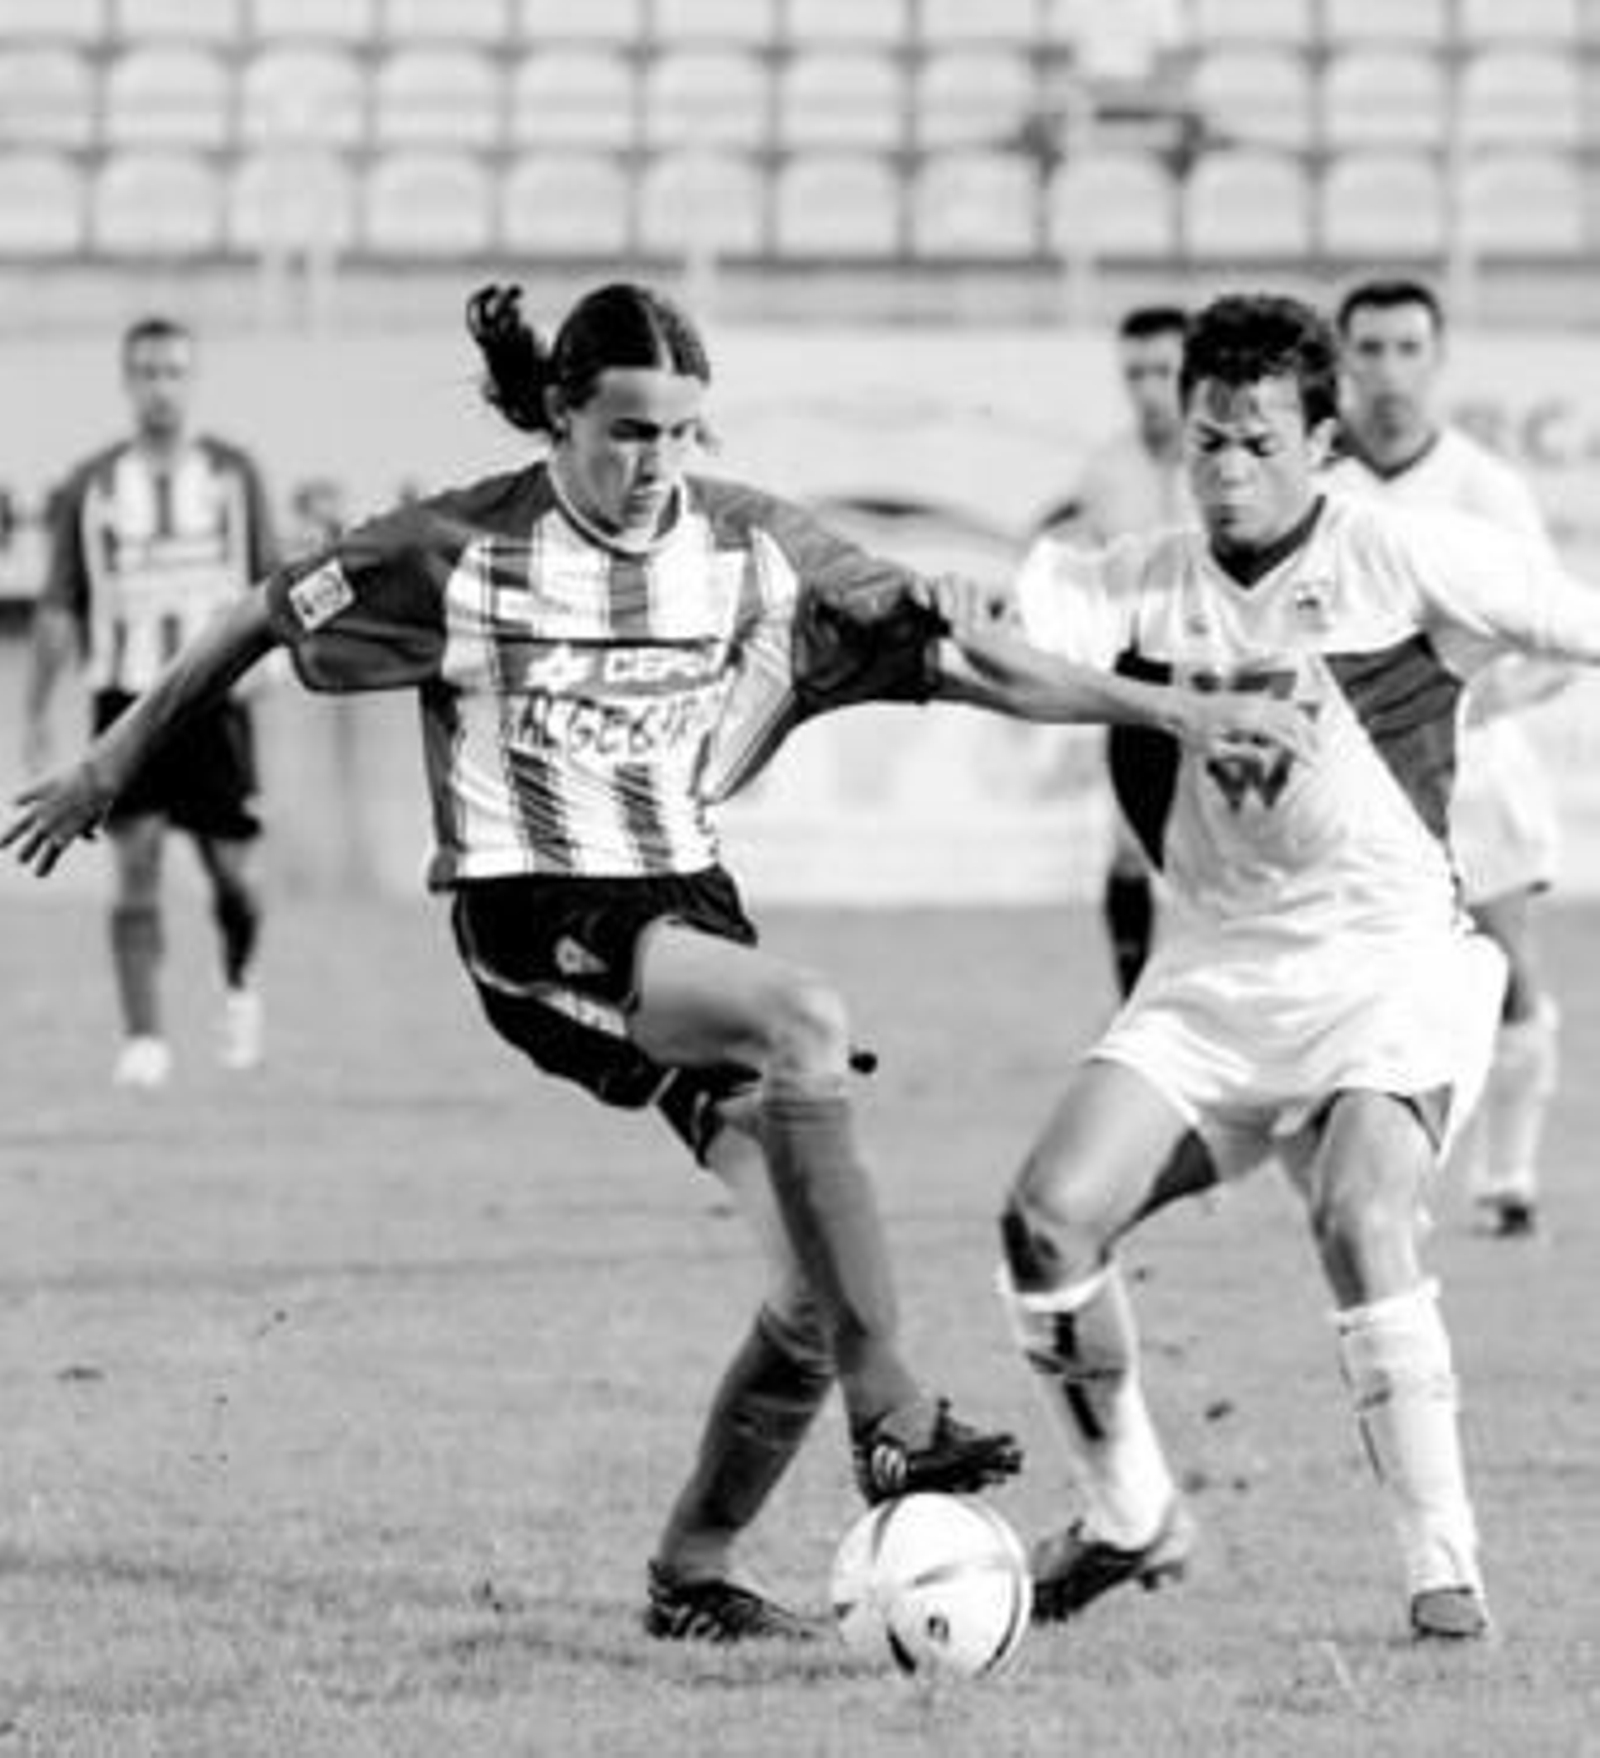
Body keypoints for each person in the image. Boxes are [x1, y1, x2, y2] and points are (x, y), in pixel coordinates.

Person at [2, 280, 1312, 1643]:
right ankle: (892, 1414)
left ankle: (692, 1572)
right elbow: (259, 615)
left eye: (683, 433)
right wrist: (107, 765)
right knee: (805, 1018)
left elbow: (978, 660)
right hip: (533, 915)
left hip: (686, 911)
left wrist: (1175, 707)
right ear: (561, 417)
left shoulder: (750, 548)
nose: (658, 464)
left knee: (805, 1286)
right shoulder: (458, 550)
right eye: (630, 433)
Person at [982, 291, 1600, 1644]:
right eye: (1207, 442)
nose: (1226, 471)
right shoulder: (1133, 579)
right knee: (1044, 1222)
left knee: (1360, 1213)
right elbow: (1000, 650)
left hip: (1391, 966)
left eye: (1258, 444)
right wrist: (952, 610)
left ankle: (1444, 1573)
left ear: (1323, 442)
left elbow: (1577, 618)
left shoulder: (1407, 554)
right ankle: (1132, 1513)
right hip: (1214, 979)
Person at [1329, 276, 1569, 1238]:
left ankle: (1507, 1177)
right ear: (1343, 358)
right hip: (1349, 786)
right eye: (1370, 349)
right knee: (1359, 995)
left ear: (1438, 360)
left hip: (1473, 779)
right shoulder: (1318, 486)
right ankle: (1382, 1192)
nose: (1389, 371)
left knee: (1506, 974)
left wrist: (1466, 706)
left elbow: (1552, 636)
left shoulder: (1485, 488)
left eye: (1407, 349)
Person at [22, 315, 281, 1089]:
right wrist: (34, 713)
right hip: (123, 701)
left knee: (232, 871)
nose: (159, 387)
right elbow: (60, 605)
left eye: (172, 371)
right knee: (134, 864)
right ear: (127, 381)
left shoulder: (233, 474)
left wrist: (272, 664)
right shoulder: (92, 484)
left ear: (190, 380)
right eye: (146, 372)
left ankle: (240, 984)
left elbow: (271, 583)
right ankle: (143, 1038)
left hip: (212, 703)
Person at [1037, 304, 1191, 999]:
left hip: (1229, 671)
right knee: (1128, 845)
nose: (1151, 389)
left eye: (1165, 370)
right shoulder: (1107, 470)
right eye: (1136, 373)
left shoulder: (1229, 459)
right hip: (1141, 669)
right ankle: (1132, 1000)